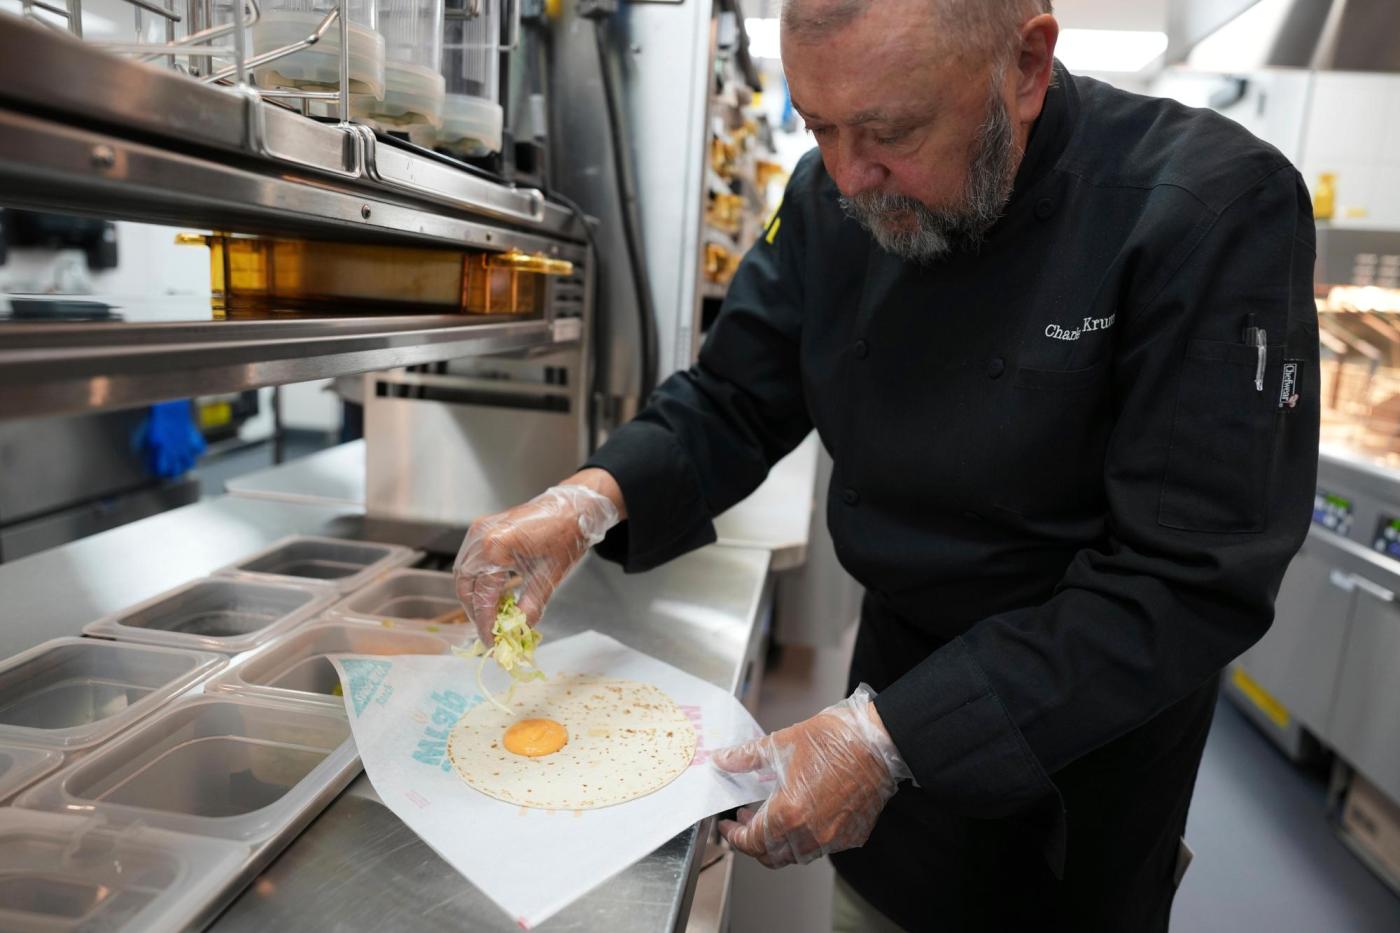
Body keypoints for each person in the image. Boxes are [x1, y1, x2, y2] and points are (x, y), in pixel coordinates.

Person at [453, 0, 1320, 929]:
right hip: (886, 707)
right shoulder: (827, 196)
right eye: (817, 126)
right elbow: (734, 395)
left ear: (1026, 66)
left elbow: (1185, 579)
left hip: (1073, 763)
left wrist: (889, 739)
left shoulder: (1211, 207)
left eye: (891, 132)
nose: (847, 175)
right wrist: (587, 499)